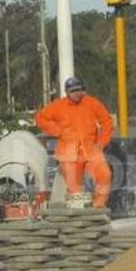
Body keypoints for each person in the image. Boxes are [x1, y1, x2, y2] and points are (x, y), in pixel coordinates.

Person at [35, 77, 114, 207]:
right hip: (68, 152)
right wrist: (57, 131)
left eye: (79, 90)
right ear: (66, 92)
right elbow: (40, 118)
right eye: (72, 91)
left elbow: (106, 122)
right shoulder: (58, 106)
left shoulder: (92, 103)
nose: (76, 93)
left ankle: (98, 206)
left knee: (104, 175)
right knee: (75, 188)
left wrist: (102, 142)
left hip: (91, 150)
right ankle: (79, 212)